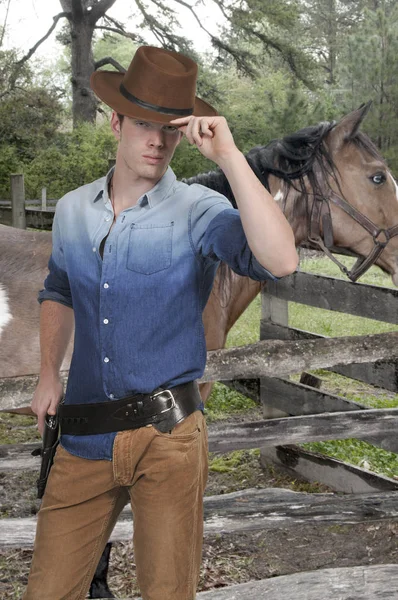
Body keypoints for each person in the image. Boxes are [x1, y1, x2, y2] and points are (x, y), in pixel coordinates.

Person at [24, 45, 298, 600]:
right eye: (144, 124)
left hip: (168, 438)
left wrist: (230, 157)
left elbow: (280, 260)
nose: (157, 141)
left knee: (168, 594)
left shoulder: (199, 210)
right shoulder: (74, 209)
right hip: (81, 436)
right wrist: (48, 371)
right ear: (116, 121)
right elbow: (57, 289)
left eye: (170, 128)